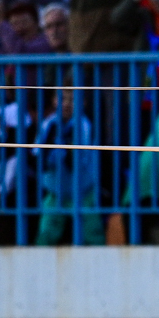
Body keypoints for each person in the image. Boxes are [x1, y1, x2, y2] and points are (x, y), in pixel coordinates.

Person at [33, 91, 104, 245]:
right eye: (62, 99)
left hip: (83, 192)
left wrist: (66, 151)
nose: (66, 103)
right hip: (56, 192)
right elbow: (38, 156)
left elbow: (79, 160)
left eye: (72, 100)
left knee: (93, 234)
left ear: (83, 103)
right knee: (46, 234)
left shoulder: (84, 125)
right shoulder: (48, 124)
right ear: (54, 101)